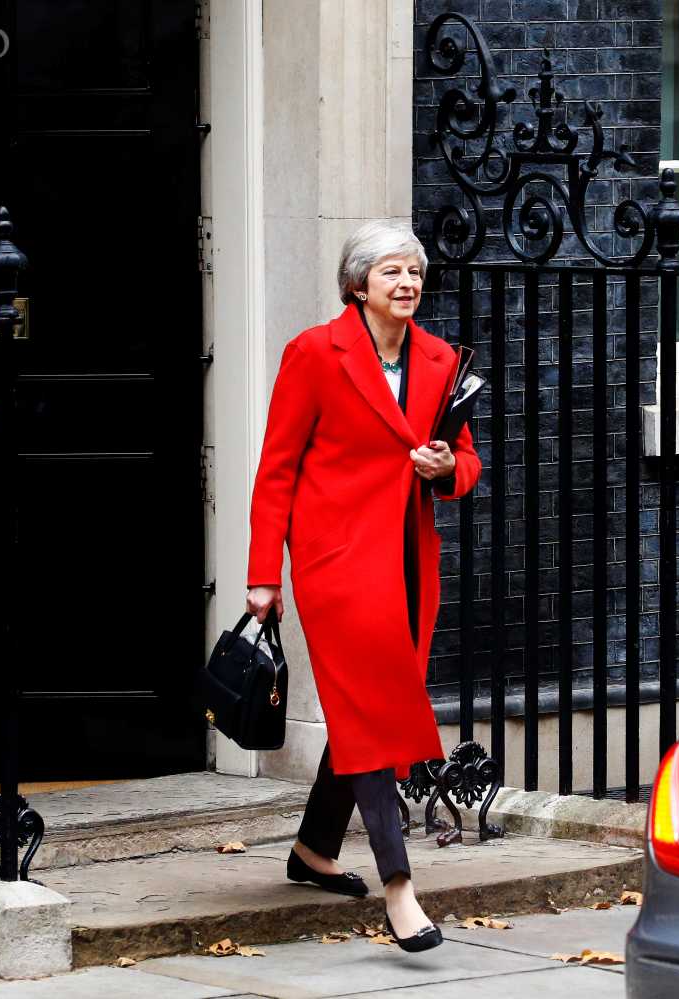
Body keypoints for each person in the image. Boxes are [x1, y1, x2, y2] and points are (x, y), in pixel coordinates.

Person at [244, 220, 481, 953]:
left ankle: (314, 850)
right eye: (390, 272)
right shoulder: (315, 353)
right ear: (357, 285)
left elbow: (467, 463)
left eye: (414, 271)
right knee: (373, 715)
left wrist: (446, 469)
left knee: (364, 711)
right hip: (337, 563)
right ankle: (400, 888)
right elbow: (276, 467)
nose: (407, 283)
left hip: (408, 563)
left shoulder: (442, 359)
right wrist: (262, 574)